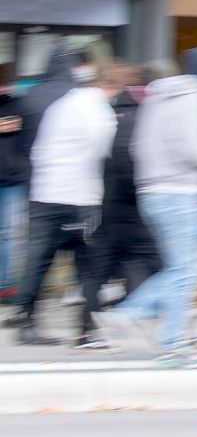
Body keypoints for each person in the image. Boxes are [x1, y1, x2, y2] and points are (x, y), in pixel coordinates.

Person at [94, 46, 197, 367]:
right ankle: (163, 338)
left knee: (178, 269)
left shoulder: (158, 95)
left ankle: (144, 324)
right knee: (185, 270)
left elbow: (138, 146)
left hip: (153, 192)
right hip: (183, 193)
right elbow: (195, 152)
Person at [6, 60, 121, 346]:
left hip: (45, 192)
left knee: (39, 260)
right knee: (90, 264)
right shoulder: (97, 110)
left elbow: (38, 147)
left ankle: (27, 320)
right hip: (78, 197)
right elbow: (103, 152)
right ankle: (87, 330)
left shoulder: (62, 104)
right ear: (112, 86)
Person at [90, 63, 165, 307]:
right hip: (130, 203)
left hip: (110, 201)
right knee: (154, 259)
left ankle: (93, 319)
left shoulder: (114, 112)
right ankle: (133, 311)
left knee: (114, 259)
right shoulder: (140, 118)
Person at [0, 64, 27, 305]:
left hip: (11, 179)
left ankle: (5, 286)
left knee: (9, 235)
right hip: (10, 179)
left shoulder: (18, 104)